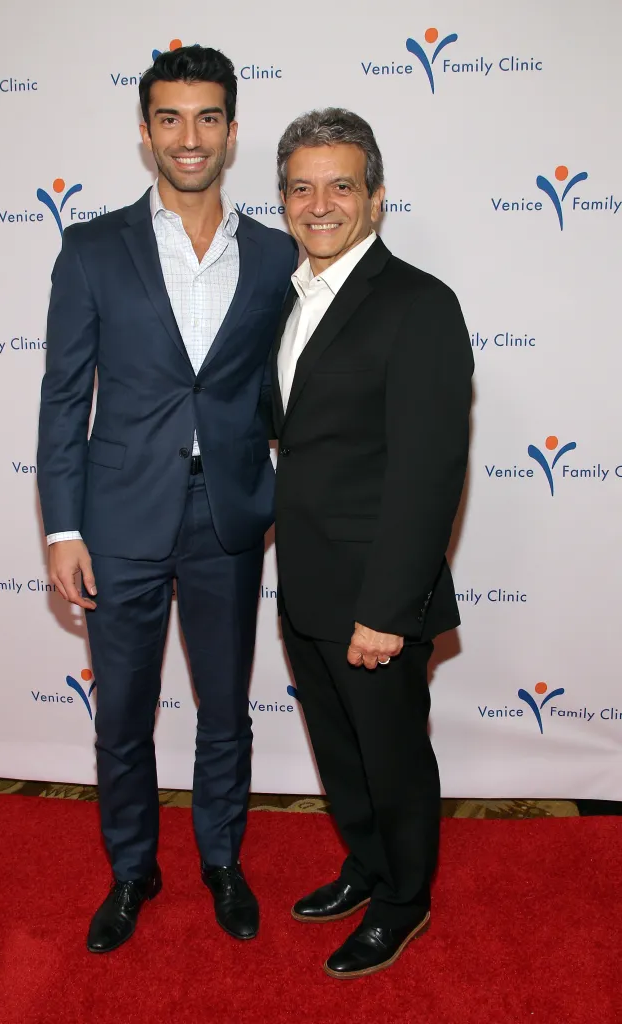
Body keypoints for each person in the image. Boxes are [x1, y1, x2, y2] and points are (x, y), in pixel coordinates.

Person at [37, 46, 298, 953]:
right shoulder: (91, 247)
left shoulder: (274, 254)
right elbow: (63, 398)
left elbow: (285, 383)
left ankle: (222, 860)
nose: (190, 137)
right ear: (145, 132)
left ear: (231, 131)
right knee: (122, 713)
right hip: (117, 518)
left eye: (207, 118)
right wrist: (62, 527)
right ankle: (132, 870)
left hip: (228, 513)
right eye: (170, 118)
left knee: (225, 708)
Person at [272, 108, 473, 978]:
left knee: (391, 761)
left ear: (377, 196)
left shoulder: (418, 304)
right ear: (282, 199)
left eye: (340, 186)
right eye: (300, 187)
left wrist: (387, 610)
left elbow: (428, 474)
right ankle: (366, 864)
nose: (319, 204)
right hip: (307, 582)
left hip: (376, 596)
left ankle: (403, 900)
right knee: (342, 754)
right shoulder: (293, 298)